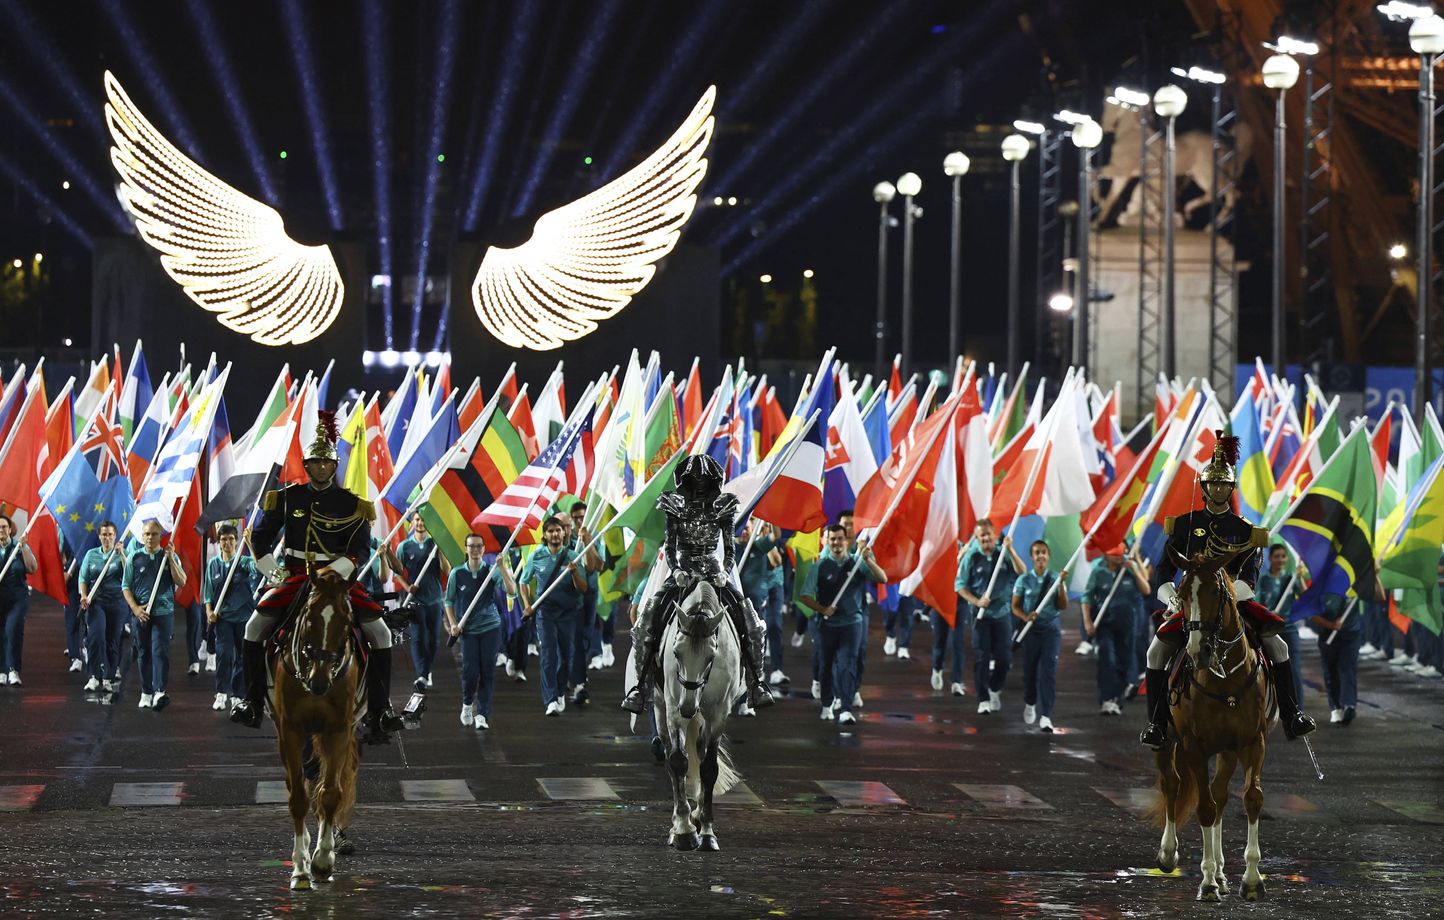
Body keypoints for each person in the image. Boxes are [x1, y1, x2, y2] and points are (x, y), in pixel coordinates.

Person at [230, 413, 404, 743]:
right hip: (295, 578)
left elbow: (360, 549)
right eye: (315, 462)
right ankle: (251, 701)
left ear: (334, 466)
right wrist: (274, 571)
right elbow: (261, 538)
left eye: (326, 463)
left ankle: (381, 710)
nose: (321, 468)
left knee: (380, 632)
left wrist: (336, 572)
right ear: (307, 465)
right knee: (254, 627)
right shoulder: (286, 497)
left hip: (340, 581)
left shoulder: (353, 503)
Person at [1139, 433, 1317, 750]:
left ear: (1230, 488)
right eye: (1213, 484)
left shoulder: (1246, 531)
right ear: (1205, 488)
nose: (1218, 489)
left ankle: (1292, 715)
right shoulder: (1182, 525)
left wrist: (1227, 595)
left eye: (1224, 485)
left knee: (1279, 647)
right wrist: (1173, 598)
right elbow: (1164, 570)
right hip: (1191, 602)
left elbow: (1250, 576)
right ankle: (1157, 723)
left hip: (1235, 601)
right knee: (1155, 652)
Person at [622, 455, 773, 714]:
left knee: (752, 622)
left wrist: (725, 570)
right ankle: (641, 688)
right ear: (686, 481)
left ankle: (756, 684)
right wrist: (677, 569)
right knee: (647, 620)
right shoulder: (675, 505)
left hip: (714, 572)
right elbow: (670, 546)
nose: (700, 484)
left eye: (705, 479)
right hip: (683, 571)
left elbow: (728, 549)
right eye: (695, 479)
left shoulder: (723, 506)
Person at [800, 525, 887, 725]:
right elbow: (805, 595)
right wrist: (822, 609)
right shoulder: (820, 566)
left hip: (852, 623)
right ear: (827, 541)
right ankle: (827, 704)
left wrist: (867, 559)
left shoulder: (857, 563)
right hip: (827, 625)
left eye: (840, 539)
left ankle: (846, 708)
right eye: (832, 539)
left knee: (848, 664)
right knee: (826, 665)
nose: (836, 543)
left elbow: (882, 578)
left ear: (846, 540)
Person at [445, 533, 516, 730]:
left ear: (484, 549)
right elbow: (449, 601)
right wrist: (453, 624)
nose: (475, 550)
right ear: (466, 549)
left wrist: (502, 568)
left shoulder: (492, 571)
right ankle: (467, 704)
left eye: (478, 546)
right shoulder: (457, 574)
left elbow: (512, 591)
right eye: (471, 546)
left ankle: (483, 713)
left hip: (490, 627)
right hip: (468, 630)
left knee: (487, 671)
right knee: (470, 671)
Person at [520, 515, 589, 715]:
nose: (555, 534)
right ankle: (550, 700)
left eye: (558, 530)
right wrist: (527, 605)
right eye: (550, 531)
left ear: (564, 533)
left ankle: (559, 691)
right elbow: (523, 582)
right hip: (545, 613)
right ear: (545, 535)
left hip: (568, 613)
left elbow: (583, 588)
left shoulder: (572, 556)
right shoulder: (537, 555)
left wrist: (574, 573)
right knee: (548, 656)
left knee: (567, 656)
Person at [957, 520, 1026, 715]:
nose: (986, 539)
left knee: (1004, 658)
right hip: (980, 616)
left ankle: (995, 688)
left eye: (989, 534)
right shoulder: (971, 556)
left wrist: (1011, 550)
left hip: (1002, 613)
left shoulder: (1002, 553)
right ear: (977, 538)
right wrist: (977, 601)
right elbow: (960, 586)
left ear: (995, 535)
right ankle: (983, 699)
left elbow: (1022, 572)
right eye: (982, 536)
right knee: (982, 657)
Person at [121, 520, 187, 710]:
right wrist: (134, 608)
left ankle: (160, 691)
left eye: (154, 534)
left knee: (160, 651)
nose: (150, 537)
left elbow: (181, 581)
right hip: (141, 613)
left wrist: (172, 558)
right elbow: (126, 586)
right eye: (147, 534)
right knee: (143, 652)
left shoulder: (168, 557)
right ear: (142, 536)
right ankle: (146, 691)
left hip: (163, 612)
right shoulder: (134, 557)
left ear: (161, 536)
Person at [1080, 545, 1150, 715]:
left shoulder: (1128, 570)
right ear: (1106, 555)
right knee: (1107, 659)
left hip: (1127, 625)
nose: (1120, 557)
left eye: (1121, 554)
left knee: (1123, 664)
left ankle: (1115, 699)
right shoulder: (1099, 572)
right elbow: (1087, 597)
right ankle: (1106, 698)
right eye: (1116, 554)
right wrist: (1088, 622)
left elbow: (1146, 590)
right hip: (1105, 625)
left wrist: (1134, 569)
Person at [1012, 540, 1069, 732]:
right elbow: (1015, 606)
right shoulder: (1023, 580)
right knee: (1029, 672)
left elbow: (1062, 606)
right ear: (1032, 556)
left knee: (1048, 671)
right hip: (1031, 632)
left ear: (1049, 555)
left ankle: (1046, 715)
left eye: (1044, 552)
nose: (1040, 556)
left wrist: (1061, 585)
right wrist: (1026, 617)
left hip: (1050, 630)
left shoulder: (1055, 578)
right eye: (1037, 553)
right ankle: (1030, 702)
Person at [204, 524, 260, 712]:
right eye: (223, 539)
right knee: (225, 654)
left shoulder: (243, 562)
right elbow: (208, 594)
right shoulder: (213, 564)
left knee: (243, 657)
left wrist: (250, 544)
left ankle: (237, 695)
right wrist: (209, 613)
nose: (227, 543)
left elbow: (260, 568)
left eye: (231, 539)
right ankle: (221, 693)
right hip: (224, 619)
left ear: (236, 541)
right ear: (219, 542)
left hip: (244, 618)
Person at [390, 513, 449, 691]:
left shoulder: (435, 545)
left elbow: (446, 570)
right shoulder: (404, 547)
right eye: (417, 519)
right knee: (417, 637)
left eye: (423, 520)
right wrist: (407, 588)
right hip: (415, 600)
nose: (421, 523)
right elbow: (397, 572)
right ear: (412, 523)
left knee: (433, 640)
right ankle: (422, 674)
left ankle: (427, 670)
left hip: (434, 599)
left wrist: (441, 551)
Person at [1312, 580, 1373, 725]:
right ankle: (1335, 708)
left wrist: (1373, 576)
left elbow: (1380, 596)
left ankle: (1349, 705)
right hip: (1328, 636)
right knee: (1330, 671)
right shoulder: (1321, 585)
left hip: (1351, 635)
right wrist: (1330, 625)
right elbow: (1311, 614)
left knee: (1347, 668)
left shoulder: (1356, 584)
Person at [78, 521, 128, 693]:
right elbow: (83, 579)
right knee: (96, 636)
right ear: (99, 536)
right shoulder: (91, 555)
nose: (107, 537)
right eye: (104, 534)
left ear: (115, 536)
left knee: (112, 640)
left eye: (110, 534)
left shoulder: (122, 553)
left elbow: (130, 574)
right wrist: (84, 596)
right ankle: (93, 676)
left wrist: (121, 554)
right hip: (96, 602)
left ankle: (108, 677)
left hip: (117, 602)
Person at [1253, 544, 1305, 705]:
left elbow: (1305, 597)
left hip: (1289, 629)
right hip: (1268, 631)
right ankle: (1270, 705)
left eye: (1283, 556)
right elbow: (1257, 604)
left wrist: (1300, 577)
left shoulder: (1291, 578)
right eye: (1277, 556)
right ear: (1270, 558)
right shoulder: (1262, 580)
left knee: (1293, 671)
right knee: (1266, 669)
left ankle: (1297, 709)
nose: (1280, 560)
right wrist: (1269, 614)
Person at [565, 501, 602, 706]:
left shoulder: (595, 535)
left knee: (586, 634)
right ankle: (578, 680)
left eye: (582, 517)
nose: (579, 521)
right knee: (577, 638)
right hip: (574, 595)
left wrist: (589, 543)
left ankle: (576, 674)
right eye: (576, 517)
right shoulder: (565, 539)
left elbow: (597, 565)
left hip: (591, 592)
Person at [736, 519, 780, 683]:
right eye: (742, 529)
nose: (745, 532)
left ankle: (755, 684)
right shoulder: (728, 550)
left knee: (755, 645)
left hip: (755, 608)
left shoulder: (759, 546)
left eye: (748, 529)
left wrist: (773, 516)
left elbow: (776, 536)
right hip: (733, 607)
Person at [0, 515, 37, 686]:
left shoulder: (18, 547)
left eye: (4, 527)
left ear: (10, 529)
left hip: (17, 597)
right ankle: (2, 670)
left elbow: (32, 568)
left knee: (12, 629)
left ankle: (13, 670)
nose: (1, 530)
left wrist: (23, 548)